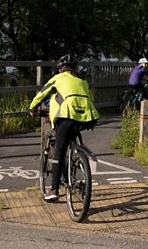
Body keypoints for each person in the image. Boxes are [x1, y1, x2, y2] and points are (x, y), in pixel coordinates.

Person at [29, 54, 100, 201]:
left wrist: (32, 108)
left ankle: (54, 189)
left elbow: (42, 93)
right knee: (71, 139)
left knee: (59, 153)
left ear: (61, 68)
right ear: (75, 68)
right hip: (87, 118)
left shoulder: (58, 78)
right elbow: (90, 99)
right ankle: (78, 155)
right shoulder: (83, 81)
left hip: (66, 117)